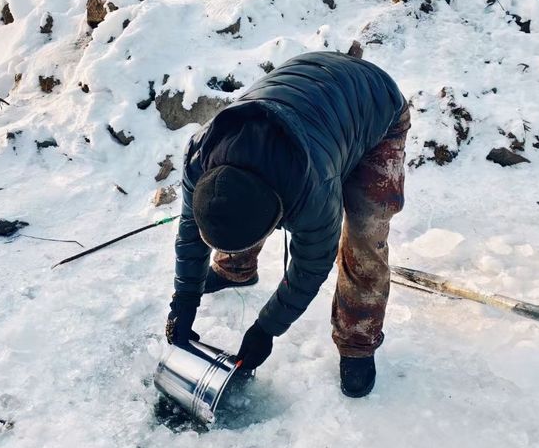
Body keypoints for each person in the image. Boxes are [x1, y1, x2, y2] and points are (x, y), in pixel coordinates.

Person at [165, 51, 410, 397]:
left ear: (280, 218)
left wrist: (267, 329)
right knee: (230, 212)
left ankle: (358, 341)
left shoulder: (314, 193)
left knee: (364, 237)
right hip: (308, 86)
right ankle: (236, 269)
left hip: (375, 103)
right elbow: (191, 233)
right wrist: (183, 302)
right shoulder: (200, 156)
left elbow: (312, 264)